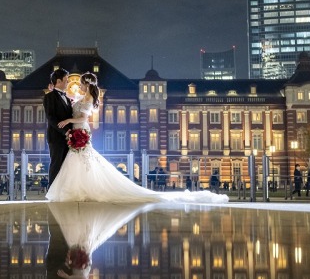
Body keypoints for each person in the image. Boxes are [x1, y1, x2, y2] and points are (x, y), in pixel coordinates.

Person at [45, 72, 228, 205]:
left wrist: (69, 120)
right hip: (74, 134)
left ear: (87, 85)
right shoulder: (76, 97)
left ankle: (82, 192)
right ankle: (74, 192)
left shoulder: (87, 100)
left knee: (82, 163)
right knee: (74, 164)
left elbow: (83, 117)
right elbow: (65, 103)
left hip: (80, 131)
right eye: (70, 81)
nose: (76, 85)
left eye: (81, 83)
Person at [43, 68, 74, 189]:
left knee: (66, 165)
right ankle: (52, 191)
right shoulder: (49, 97)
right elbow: (51, 118)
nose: (68, 83)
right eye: (66, 80)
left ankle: (63, 190)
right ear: (59, 81)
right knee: (56, 164)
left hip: (69, 137)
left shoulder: (67, 98)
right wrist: (65, 131)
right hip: (56, 137)